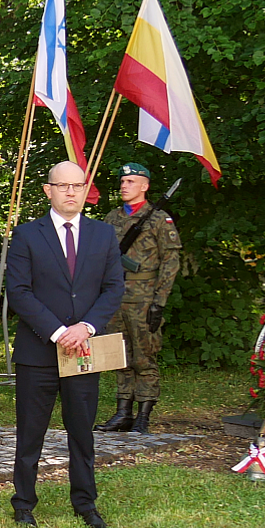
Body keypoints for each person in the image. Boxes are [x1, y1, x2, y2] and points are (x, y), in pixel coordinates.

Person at [4, 160, 126, 528]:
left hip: (84, 351)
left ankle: (85, 503)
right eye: (63, 186)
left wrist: (85, 327)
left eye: (77, 185)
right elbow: (19, 292)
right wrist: (59, 332)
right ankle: (24, 504)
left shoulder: (103, 235)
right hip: (38, 351)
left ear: (86, 190)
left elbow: (113, 288)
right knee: (30, 434)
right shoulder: (26, 235)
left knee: (82, 432)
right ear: (48, 190)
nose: (71, 192)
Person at [97, 162, 181, 434]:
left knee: (144, 358)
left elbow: (170, 263)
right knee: (119, 357)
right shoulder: (112, 218)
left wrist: (159, 302)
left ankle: (143, 415)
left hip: (144, 299)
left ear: (145, 186)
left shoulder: (158, 219)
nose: (124, 186)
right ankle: (123, 412)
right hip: (115, 298)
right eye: (122, 181)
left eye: (131, 181)